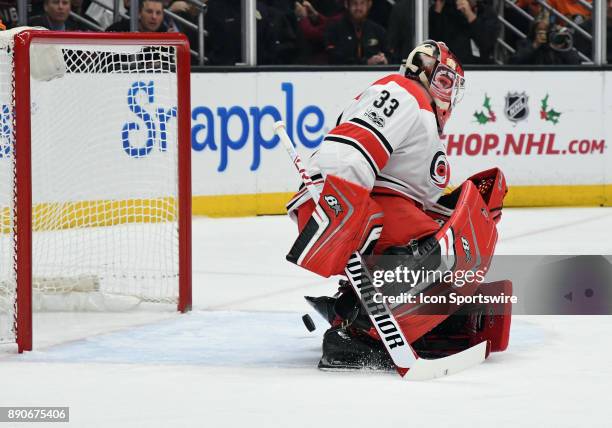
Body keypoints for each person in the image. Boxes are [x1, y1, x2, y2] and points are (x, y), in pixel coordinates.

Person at [285, 40, 510, 369]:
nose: (445, 92)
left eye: (451, 85)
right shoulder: (405, 91)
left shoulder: (419, 114)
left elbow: (412, 199)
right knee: (443, 251)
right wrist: (340, 212)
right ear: (417, 69)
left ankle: (353, 307)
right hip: (339, 202)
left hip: (360, 204)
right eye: (442, 79)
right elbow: (350, 149)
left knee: (452, 227)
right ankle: (358, 334)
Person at [429, 0, 499, 64]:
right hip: (451, 68)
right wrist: (439, 5)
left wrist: (469, 14)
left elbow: (487, 42)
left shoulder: (486, 12)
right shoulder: (443, 9)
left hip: (482, 69)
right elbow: (432, 40)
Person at [325, 0, 388, 65]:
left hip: (375, 74)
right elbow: (333, 58)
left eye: (362, 3)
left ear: (369, 5)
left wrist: (385, 60)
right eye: (354, 3)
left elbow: (391, 56)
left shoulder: (378, 30)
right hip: (341, 74)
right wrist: (366, 62)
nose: (358, 8)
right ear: (346, 4)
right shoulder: (334, 29)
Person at [509, 10, 580, 64]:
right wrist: (534, 46)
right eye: (539, 29)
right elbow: (513, 62)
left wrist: (562, 47)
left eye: (546, 29)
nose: (542, 32)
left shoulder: (557, 42)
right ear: (533, 30)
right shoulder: (525, 43)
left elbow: (575, 62)